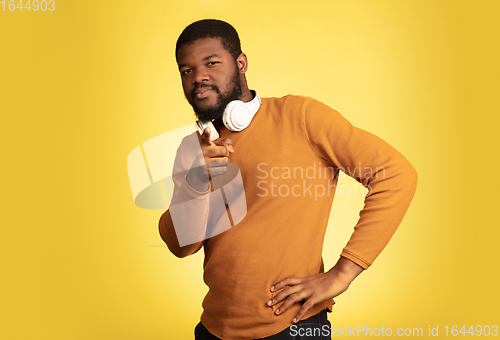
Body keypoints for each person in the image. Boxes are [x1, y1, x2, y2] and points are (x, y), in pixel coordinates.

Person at [158, 19, 418, 340]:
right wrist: (195, 181)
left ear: (240, 63)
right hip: (213, 329)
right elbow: (181, 246)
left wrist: (343, 272)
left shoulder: (300, 116)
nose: (199, 77)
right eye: (187, 70)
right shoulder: (195, 148)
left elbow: (394, 173)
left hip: (292, 328)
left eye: (211, 63)